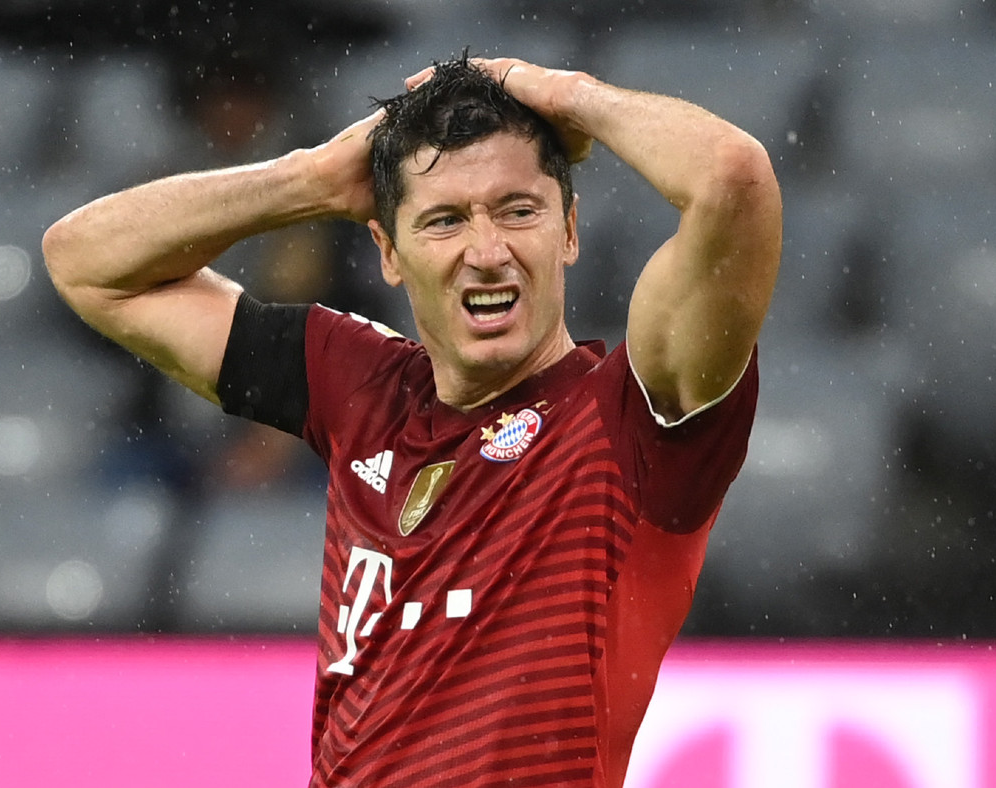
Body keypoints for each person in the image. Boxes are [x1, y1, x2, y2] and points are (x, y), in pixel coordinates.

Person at [43, 53, 780, 788]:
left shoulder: (634, 418)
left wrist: (567, 94)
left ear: (569, 230)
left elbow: (732, 179)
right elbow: (85, 262)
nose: (486, 252)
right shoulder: (357, 384)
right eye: (444, 220)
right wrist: (309, 180)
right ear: (389, 253)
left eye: (519, 210)